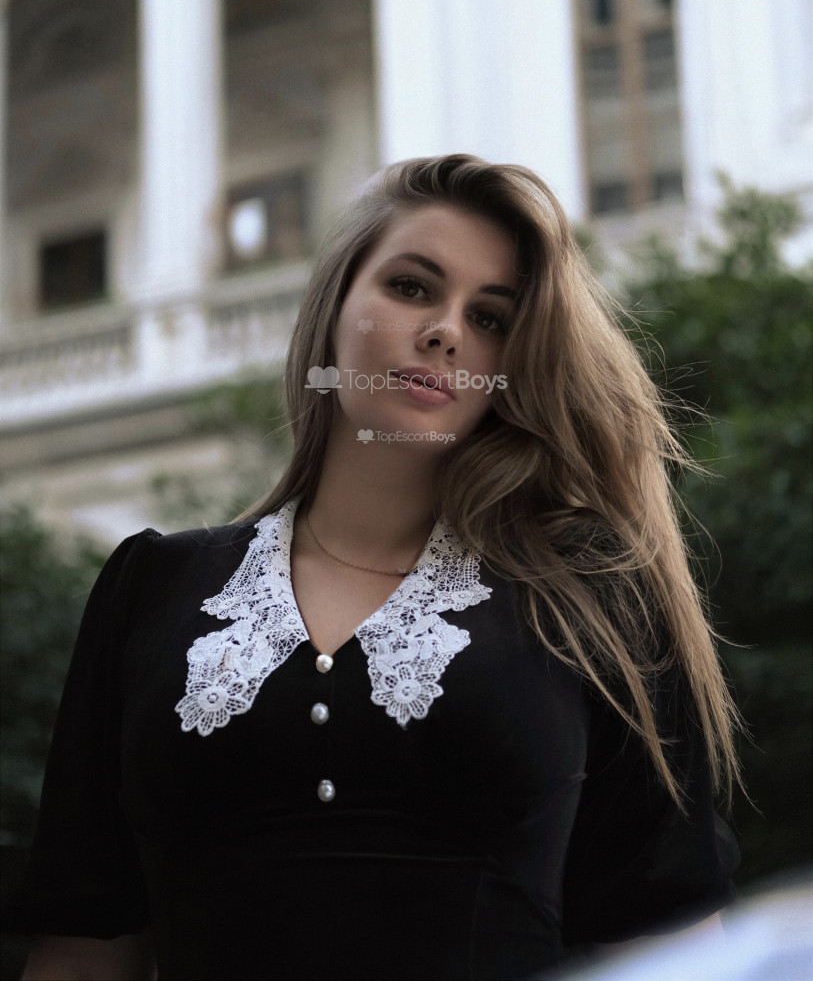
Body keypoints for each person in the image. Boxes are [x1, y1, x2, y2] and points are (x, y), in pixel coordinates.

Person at [8, 155, 741, 981]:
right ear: (334, 306)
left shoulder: (589, 597)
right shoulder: (151, 588)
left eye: (489, 317)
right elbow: (81, 951)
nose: (445, 331)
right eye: (411, 287)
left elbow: (668, 949)